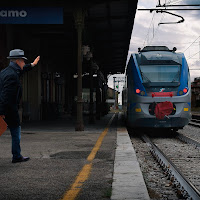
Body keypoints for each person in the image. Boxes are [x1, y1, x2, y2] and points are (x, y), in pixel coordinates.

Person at [0, 49, 40, 163]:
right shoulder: (12, 75)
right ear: (18, 61)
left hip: (5, 108)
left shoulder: (6, 71)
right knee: (16, 132)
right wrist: (2, 112)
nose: (24, 63)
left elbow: (22, 70)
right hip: (9, 110)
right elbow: (5, 96)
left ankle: (17, 155)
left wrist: (32, 65)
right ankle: (16, 156)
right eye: (23, 61)